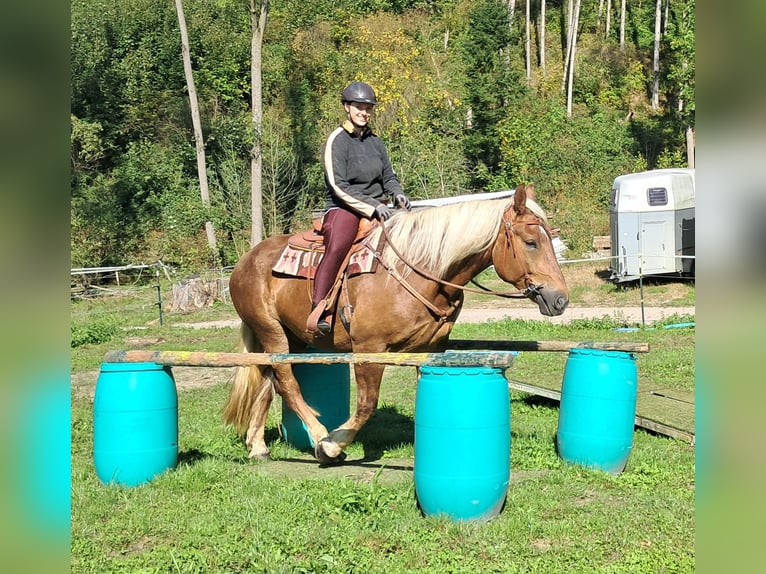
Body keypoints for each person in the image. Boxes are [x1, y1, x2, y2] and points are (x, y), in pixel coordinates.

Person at [308, 81, 411, 335]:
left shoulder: (377, 143)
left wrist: (397, 193)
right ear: (347, 107)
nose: (364, 112)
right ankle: (319, 308)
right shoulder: (337, 141)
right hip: (344, 207)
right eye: (358, 107)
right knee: (339, 244)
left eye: (368, 108)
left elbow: (388, 176)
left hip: (381, 207)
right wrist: (372, 206)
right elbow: (338, 185)